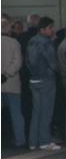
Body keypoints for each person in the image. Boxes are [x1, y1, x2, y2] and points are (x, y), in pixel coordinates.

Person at [26, 16, 61, 150]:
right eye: (50, 28)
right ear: (43, 29)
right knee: (46, 111)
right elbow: (52, 62)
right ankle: (45, 141)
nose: (52, 30)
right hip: (46, 80)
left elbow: (28, 61)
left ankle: (33, 142)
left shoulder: (31, 41)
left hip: (33, 79)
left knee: (36, 112)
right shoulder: (46, 42)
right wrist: (57, 70)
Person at [2, 17, 26, 148]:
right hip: (12, 84)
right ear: (8, 29)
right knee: (16, 113)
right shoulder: (14, 42)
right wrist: (6, 73)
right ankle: (20, 140)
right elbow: (17, 62)